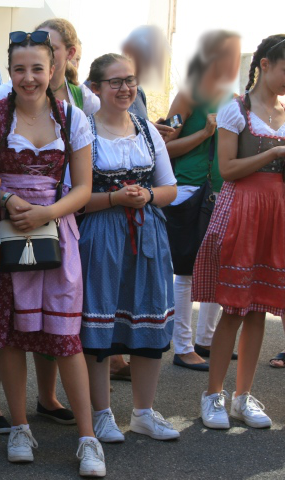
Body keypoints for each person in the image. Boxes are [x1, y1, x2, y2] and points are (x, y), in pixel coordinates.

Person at [0, 30, 106, 477]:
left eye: (37, 69)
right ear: (9, 71)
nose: (28, 78)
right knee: (11, 336)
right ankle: (20, 428)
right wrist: (9, 202)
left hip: (57, 233)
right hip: (7, 231)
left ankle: (88, 438)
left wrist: (47, 211)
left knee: (65, 338)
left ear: (54, 69)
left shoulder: (73, 118)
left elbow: (83, 187)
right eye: (19, 69)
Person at [79, 53, 179, 443]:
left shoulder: (146, 129)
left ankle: (143, 413)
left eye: (130, 80)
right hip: (101, 234)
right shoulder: (84, 131)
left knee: (148, 320)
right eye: (115, 82)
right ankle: (101, 415)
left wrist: (147, 195)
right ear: (95, 88)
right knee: (100, 325)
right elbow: (76, 198)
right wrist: (114, 198)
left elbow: (170, 188)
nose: (125, 88)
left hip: (147, 233)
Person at [195, 34, 285, 430]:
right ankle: (213, 393)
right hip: (242, 209)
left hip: (276, 211)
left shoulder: (284, 109)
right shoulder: (235, 109)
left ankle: (242, 396)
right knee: (233, 308)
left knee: (260, 307)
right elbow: (227, 169)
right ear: (264, 64)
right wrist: (274, 153)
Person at [164, 31, 241, 371]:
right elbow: (165, 147)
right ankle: (182, 347)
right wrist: (205, 133)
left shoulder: (235, 100)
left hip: (225, 192)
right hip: (190, 190)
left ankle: (206, 340)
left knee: (217, 269)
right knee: (185, 271)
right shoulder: (189, 95)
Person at [0, 19, 100, 116]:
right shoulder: (2, 94)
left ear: (70, 53)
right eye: (38, 47)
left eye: (52, 48)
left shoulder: (83, 98)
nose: (44, 53)